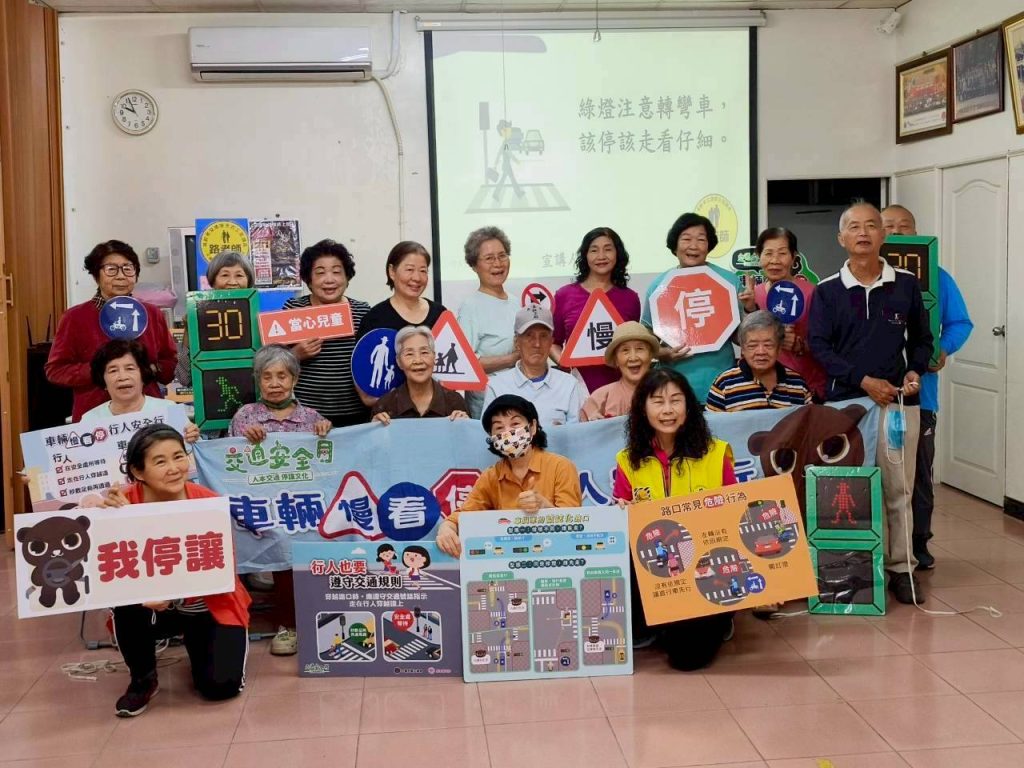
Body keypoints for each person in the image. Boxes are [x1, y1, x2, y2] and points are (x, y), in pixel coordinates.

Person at [809, 202, 933, 604]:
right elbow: (819, 347)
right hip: (847, 408)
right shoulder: (828, 291)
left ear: (883, 235)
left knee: (900, 489)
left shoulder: (906, 285)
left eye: (871, 226)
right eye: (854, 227)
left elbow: (922, 340)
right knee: (849, 491)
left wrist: (914, 370)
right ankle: (855, 569)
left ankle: (902, 568)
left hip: (896, 405)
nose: (863, 233)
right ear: (841, 238)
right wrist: (862, 380)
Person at [98, 424, 251, 717]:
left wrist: (176, 596)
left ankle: (198, 642)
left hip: (206, 606)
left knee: (220, 687)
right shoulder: (122, 504)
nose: (174, 468)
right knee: (125, 603)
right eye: (160, 461)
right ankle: (142, 679)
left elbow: (221, 570)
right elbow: (105, 563)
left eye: (179, 456)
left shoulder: (208, 502)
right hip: (149, 608)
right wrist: (111, 517)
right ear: (138, 471)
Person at [613, 369, 737, 670]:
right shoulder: (628, 460)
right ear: (643, 409)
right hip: (657, 568)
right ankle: (654, 622)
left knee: (686, 658)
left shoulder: (715, 453)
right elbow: (621, 516)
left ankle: (721, 617)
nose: (667, 410)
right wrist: (622, 512)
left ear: (688, 407)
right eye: (658, 401)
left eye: (675, 400)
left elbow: (735, 514)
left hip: (705, 569)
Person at [881, 204, 973, 570]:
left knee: (918, 475)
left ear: (917, 232)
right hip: (873, 395)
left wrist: (944, 349)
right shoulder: (862, 276)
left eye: (904, 226)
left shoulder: (937, 277)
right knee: (878, 472)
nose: (897, 233)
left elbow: (960, 323)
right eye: (889, 226)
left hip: (922, 396)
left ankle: (919, 542)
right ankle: (881, 544)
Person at [228, 345, 331, 656]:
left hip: (303, 505)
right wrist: (245, 441)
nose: (275, 383)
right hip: (263, 507)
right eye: (267, 376)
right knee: (281, 543)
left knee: (309, 543)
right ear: (258, 380)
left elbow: (330, 464)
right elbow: (229, 463)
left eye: (282, 376)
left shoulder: (312, 418)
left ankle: (320, 619)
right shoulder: (245, 416)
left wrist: (326, 433)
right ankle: (288, 625)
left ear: (294, 379)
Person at [46, 240, 177, 422]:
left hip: (148, 414)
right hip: (95, 417)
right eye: (111, 269)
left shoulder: (152, 314)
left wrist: (148, 369)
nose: (121, 276)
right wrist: (102, 370)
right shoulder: (74, 317)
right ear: (96, 276)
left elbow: (170, 363)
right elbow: (55, 370)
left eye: (128, 269)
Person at [436, 395, 582, 557]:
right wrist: (447, 527)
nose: (507, 433)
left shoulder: (561, 466)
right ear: (492, 438)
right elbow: (463, 515)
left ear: (532, 427)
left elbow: (575, 524)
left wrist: (544, 506)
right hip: (509, 558)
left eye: (515, 424)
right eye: (499, 428)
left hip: (554, 556)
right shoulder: (491, 476)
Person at [641, 213, 742, 403]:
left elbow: (741, 337)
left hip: (723, 383)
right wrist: (662, 353)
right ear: (675, 245)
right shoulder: (659, 286)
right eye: (686, 239)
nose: (693, 246)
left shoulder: (729, 281)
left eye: (701, 239)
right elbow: (646, 336)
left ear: (709, 245)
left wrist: (751, 308)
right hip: (674, 386)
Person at [283, 239, 371, 427]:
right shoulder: (293, 309)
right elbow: (272, 362)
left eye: (337, 272)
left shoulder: (363, 311)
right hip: (307, 416)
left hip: (357, 416)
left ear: (347, 277)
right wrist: (295, 354)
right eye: (320, 272)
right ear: (309, 279)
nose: (329, 279)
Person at [737, 227, 827, 400]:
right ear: (759, 256)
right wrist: (749, 308)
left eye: (782, 253)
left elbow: (828, 344)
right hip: (760, 391)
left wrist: (800, 345)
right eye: (768, 253)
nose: (775, 260)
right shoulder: (754, 294)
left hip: (804, 388)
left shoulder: (812, 293)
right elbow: (747, 343)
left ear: (793, 257)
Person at [552, 227, 642, 393]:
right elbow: (553, 343)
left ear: (617, 254)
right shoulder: (564, 295)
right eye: (594, 250)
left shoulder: (630, 298)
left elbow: (633, 345)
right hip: (577, 388)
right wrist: (566, 363)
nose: (601, 256)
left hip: (621, 390)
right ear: (585, 255)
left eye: (608, 249)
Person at [482, 305, 587, 427]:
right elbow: (488, 433)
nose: (537, 344)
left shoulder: (569, 385)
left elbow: (576, 434)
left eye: (543, 336)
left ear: (551, 342)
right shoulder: (496, 387)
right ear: (516, 342)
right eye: (529, 336)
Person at [456, 227, 520, 419]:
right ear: (474, 265)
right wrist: (512, 359)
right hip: (487, 404)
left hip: (518, 398)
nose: (498, 264)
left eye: (502, 256)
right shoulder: (470, 307)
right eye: (489, 258)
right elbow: (466, 363)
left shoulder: (516, 302)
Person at [83, 340, 199, 443]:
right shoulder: (89, 420)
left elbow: (187, 454)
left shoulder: (168, 409)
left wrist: (192, 438)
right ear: (103, 380)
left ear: (143, 375)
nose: (122, 377)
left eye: (130, 368)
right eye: (113, 371)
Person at [174, 250, 255, 387]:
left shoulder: (259, 318)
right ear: (213, 281)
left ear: (249, 280)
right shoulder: (199, 316)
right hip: (212, 394)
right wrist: (189, 330)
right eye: (225, 275)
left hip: (253, 395)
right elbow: (184, 378)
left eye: (239, 275)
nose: (232, 282)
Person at [706, 311, 812, 412]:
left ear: (779, 348)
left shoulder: (798, 384)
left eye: (768, 345)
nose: (761, 352)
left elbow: (809, 422)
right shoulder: (724, 384)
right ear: (742, 349)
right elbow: (711, 424)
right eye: (753, 345)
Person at [371, 326, 470, 423]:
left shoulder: (455, 402)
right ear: (399, 362)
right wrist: (375, 428)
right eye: (409, 354)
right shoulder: (385, 406)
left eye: (424, 352)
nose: (418, 360)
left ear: (434, 357)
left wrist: (466, 426)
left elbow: (468, 433)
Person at [358, 241, 446, 337]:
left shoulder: (440, 314)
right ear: (392, 271)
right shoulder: (374, 319)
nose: (417, 278)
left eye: (423, 271)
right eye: (409, 269)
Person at [579, 321, 659, 421]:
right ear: (616, 359)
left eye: (640, 349)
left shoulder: (666, 392)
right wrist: (594, 426)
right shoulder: (600, 398)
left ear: (650, 355)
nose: (633, 358)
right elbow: (581, 429)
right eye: (625, 350)